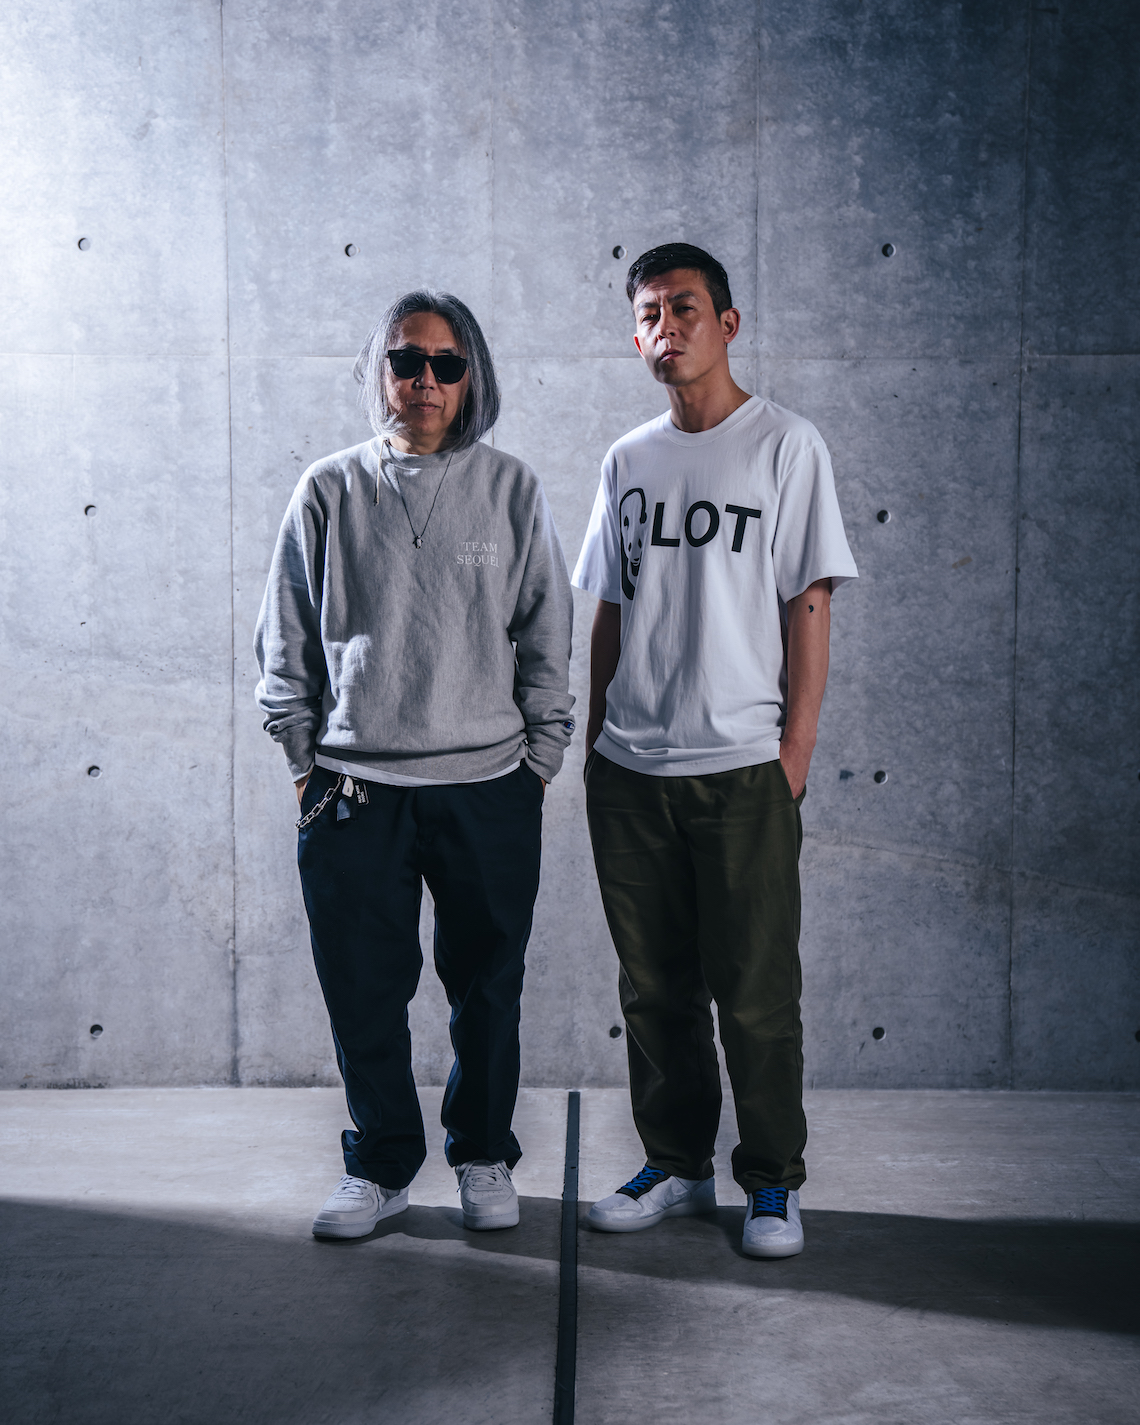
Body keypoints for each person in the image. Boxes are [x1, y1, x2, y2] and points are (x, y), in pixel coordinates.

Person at [255, 290, 574, 1238]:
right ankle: (382, 1165)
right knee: (362, 990)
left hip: (488, 787)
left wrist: (540, 760)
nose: (425, 380)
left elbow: (547, 631)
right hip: (356, 788)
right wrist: (304, 762)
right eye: (406, 359)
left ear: (470, 377)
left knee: (488, 990)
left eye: (446, 363)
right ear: (379, 371)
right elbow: (286, 634)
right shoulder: (328, 488)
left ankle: (481, 1154)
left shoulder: (510, 488)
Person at [572, 243, 857, 1258]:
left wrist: (794, 755)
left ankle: (772, 1180)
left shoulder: (785, 445)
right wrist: (597, 743)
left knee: (756, 996)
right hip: (632, 773)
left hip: (741, 770)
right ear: (635, 336)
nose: (667, 328)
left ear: (727, 323)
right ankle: (678, 1164)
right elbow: (611, 610)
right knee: (654, 991)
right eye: (649, 314)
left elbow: (809, 601)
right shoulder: (629, 459)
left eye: (684, 308)